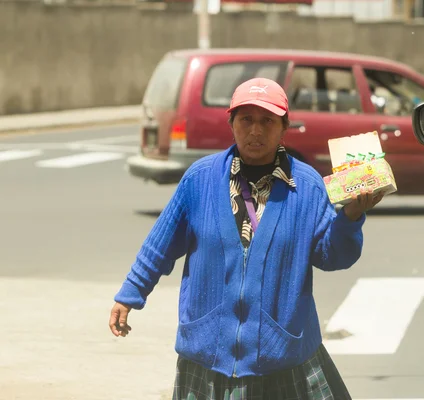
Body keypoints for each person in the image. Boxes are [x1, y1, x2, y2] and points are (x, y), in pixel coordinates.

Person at [109, 77, 384, 399]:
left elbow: (333, 257)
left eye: (267, 121)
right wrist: (130, 294)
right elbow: (160, 245)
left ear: (284, 127)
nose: (256, 130)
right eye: (246, 120)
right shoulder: (200, 180)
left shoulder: (307, 185)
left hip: (282, 356)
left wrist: (349, 219)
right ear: (232, 124)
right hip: (208, 356)